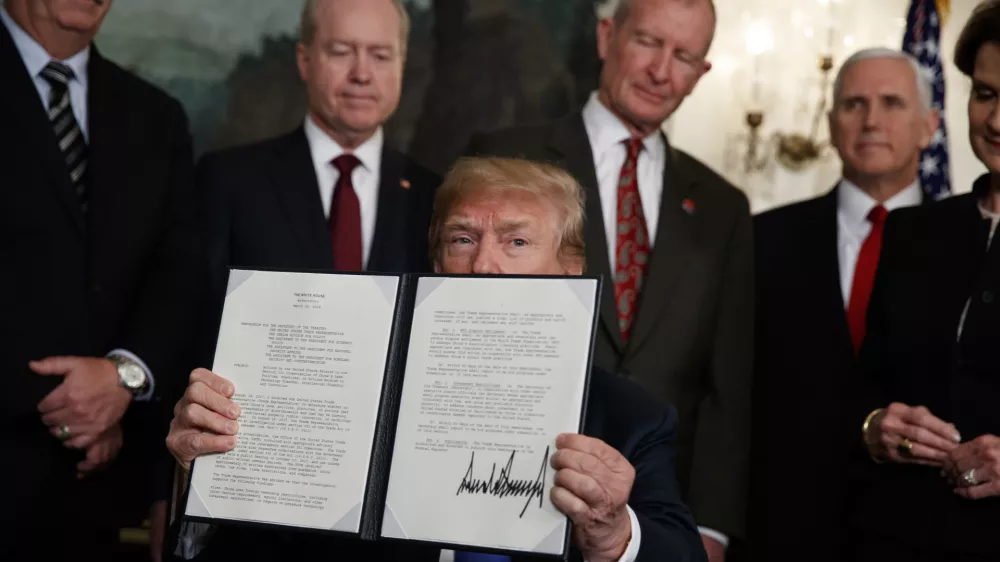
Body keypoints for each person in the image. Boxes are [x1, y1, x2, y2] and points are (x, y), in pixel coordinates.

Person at [167, 156, 707, 562]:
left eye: (517, 242)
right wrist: (209, 478)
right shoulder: (356, 392)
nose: (484, 265)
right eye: (462, 239)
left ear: (572, 269)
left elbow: (679, 550)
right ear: (436, 262)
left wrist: (614, 537)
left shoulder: (633, 419)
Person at [465, 1, 751, 558]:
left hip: (659, 511)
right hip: (513, 488)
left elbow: (729, 383)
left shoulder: (723, 206)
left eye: (683, 55)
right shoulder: (507, 155)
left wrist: (712, 527)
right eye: (648, 42)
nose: (661, 70)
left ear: (701, 73)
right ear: (605, 37)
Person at [165, 0, 438, 560]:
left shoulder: (436, 199)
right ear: (304, 59)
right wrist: (166, 488)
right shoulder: (229, 180)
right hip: (254, 522)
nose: (362, 73)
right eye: (342, 52)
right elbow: (186, 332)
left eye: (380, 55)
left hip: (391, 532)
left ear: (402, 64)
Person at [0, 0, 202, 560]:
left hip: (101, 495)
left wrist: (121, 377)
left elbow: (179, 272)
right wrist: (71, 408)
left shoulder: (157, 116)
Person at [749, 48, 939, 561]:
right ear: (832, 126)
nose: (871, 120)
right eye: (854, 104)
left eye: (891, 103)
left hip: (921, 528)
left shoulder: (970, 246)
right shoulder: (761, 239)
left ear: (929, 126)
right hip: (782, 525)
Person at [853, 2, 1000, 560]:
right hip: (896, 537)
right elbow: (863, 390)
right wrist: (875, 428)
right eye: (985, 94)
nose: (996, 121)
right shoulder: (912, 231)